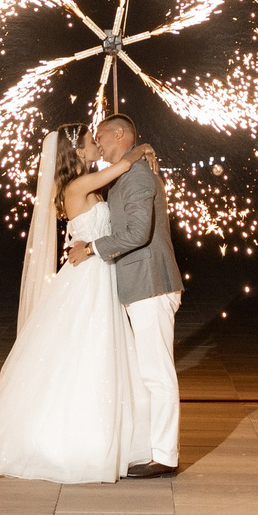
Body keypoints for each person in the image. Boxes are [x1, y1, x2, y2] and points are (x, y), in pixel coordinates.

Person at [0, 129, 157, 484]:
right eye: (90, 142)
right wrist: (143, 146)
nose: (97, 144)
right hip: (88, 276)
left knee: (99, 351)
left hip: (98, 273)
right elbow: (125, 163)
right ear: (77, 152)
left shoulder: (87, 184)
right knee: (88, 351)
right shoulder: (77, 188)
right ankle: (79, 441)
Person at [69, 112, 184, 478]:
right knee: (149, 372)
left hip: (151, 282)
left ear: (120, 134)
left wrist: (89, 250)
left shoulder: (136, 175)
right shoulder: (127, 171)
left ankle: (165, 456)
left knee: (157, 373)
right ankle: (154, 448)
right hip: (139, 284)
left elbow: (136, 234)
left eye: (101, 135)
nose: (98, 142)